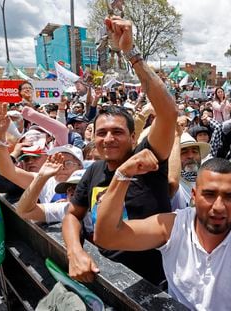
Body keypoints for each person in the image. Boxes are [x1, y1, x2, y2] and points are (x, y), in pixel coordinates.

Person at [62, 16, 177, 285]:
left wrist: (131, 54)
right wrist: (75, 251)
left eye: (117, 132)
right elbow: (72, 215)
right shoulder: (93, 172)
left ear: (133, 137)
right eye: (101, 133)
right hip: (104, 280)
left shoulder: (147, 159)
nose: (108, 139)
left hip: (151, 285)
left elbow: (168, 113)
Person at [94, 156, 231, 310]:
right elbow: (106, 237)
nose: (218, 207)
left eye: (229, 196)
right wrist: (123, 174)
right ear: (194, 196)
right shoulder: (174, 226)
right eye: (209, 194)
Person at [169, 132, 210, 211]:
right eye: (184, 152)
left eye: (195, 152)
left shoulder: (208, 181)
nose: (190, 156)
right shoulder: (172, 185)